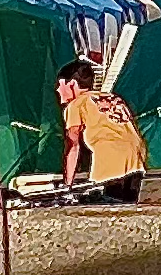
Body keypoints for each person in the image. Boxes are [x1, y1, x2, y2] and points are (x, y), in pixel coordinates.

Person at [57, 57, 147, 201]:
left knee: (103, 211)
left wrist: (67, 185)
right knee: (126, 210)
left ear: (72, 84)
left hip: (110, 162)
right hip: (136, 162)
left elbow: (73, 145)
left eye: (60, 84)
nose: (57, 89)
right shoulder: (113, 98)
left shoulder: (76, 104)